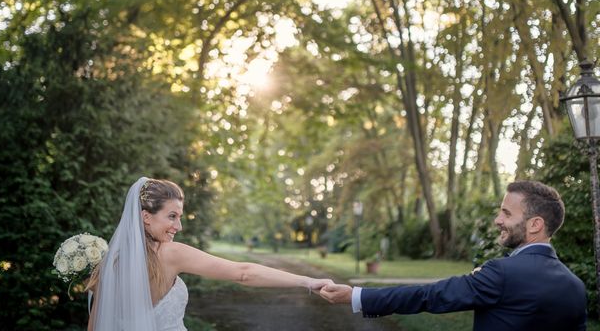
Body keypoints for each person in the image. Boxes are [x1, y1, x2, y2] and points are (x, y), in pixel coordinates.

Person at [320, 180, 587, 331]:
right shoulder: (575, 287)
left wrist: (356, 296)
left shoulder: (502, 273)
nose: (497, 220)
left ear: (535, 224)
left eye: (506, 213)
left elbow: (431, 295)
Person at [86, 177, 332, 331]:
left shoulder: (109, 265)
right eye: (172, 216)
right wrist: (307, 281)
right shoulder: (171, 253)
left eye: (179, 217)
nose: (179, 226)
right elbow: (243, 273)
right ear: (146, 216)